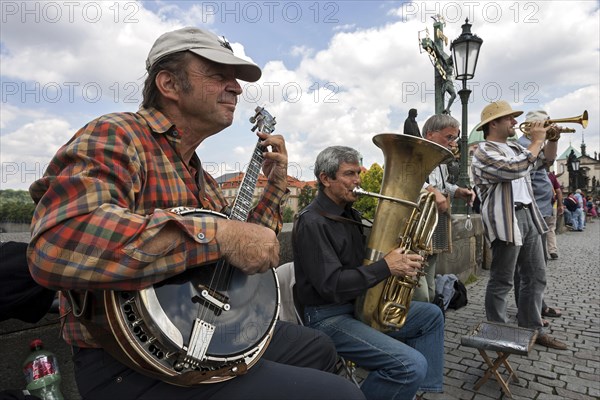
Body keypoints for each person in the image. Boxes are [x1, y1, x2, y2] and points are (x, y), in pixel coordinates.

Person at [26, 27, 365, 400]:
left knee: (318, 348)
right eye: (219, 76)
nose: (235, 87)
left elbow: (254, 250)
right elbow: (58, 244)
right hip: (127, 361)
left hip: (203, 335)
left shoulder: (200, 176)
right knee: (341, 395)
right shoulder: (117, 134)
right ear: (169, 83)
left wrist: (275, 183)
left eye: (234, 80)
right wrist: (218, 235)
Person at [292, 146, 445, 400]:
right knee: (409, 365)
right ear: (325, 179)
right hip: (327, 318)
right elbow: (331, 285)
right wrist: (386, 266)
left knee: (432, 315)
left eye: (358, 173)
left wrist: (404, 256)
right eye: (349, 174)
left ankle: (420, 393)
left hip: (356, 305)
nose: (357, 181)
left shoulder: (350, 215)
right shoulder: (312, 222)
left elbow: (364, 263)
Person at [470, 100, 567, 350]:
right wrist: (536, 141)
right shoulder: (483, 151)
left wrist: (552, 138)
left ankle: (532, 327)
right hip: (505, 219)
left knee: (536, 275)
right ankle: (499, 332)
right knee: (502, 280)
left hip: (528, 216)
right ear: (494, 123)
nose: (515, 122)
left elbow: (544, 161)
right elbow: (514, 170)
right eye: (509, 119)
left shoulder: (515, 147)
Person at [415, 114, 475, 302]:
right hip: (416, 229)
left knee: (430, 280)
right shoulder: (414, 155)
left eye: (455, 138)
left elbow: (442, 186)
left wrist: (458, 191)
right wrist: (432, 191)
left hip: (432, 228)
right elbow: (409, 181)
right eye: (449, 137)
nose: (453, 143)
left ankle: (430, 315)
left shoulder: (441, 162)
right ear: (430, 135)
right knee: (419, 286)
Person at [514, 111, 564, 327]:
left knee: (537, 266)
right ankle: (527, 311)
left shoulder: (537, 141)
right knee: (529, 267)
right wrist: (539, 138)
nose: (549, 125)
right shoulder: (524, 143)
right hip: (530, 210)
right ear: (534, 123)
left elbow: (550, 159)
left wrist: (552, 138)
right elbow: (523, 166)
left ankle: (537, 306)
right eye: (546, 122)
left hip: (542, 208)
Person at [547, 170, 563, 259]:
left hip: (537, 206)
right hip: (552, 205)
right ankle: (552, 250)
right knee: (551, 228)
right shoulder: (551, 176)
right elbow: (559, 191)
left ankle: (540, 251)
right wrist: (560, 205)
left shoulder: (532, 172)